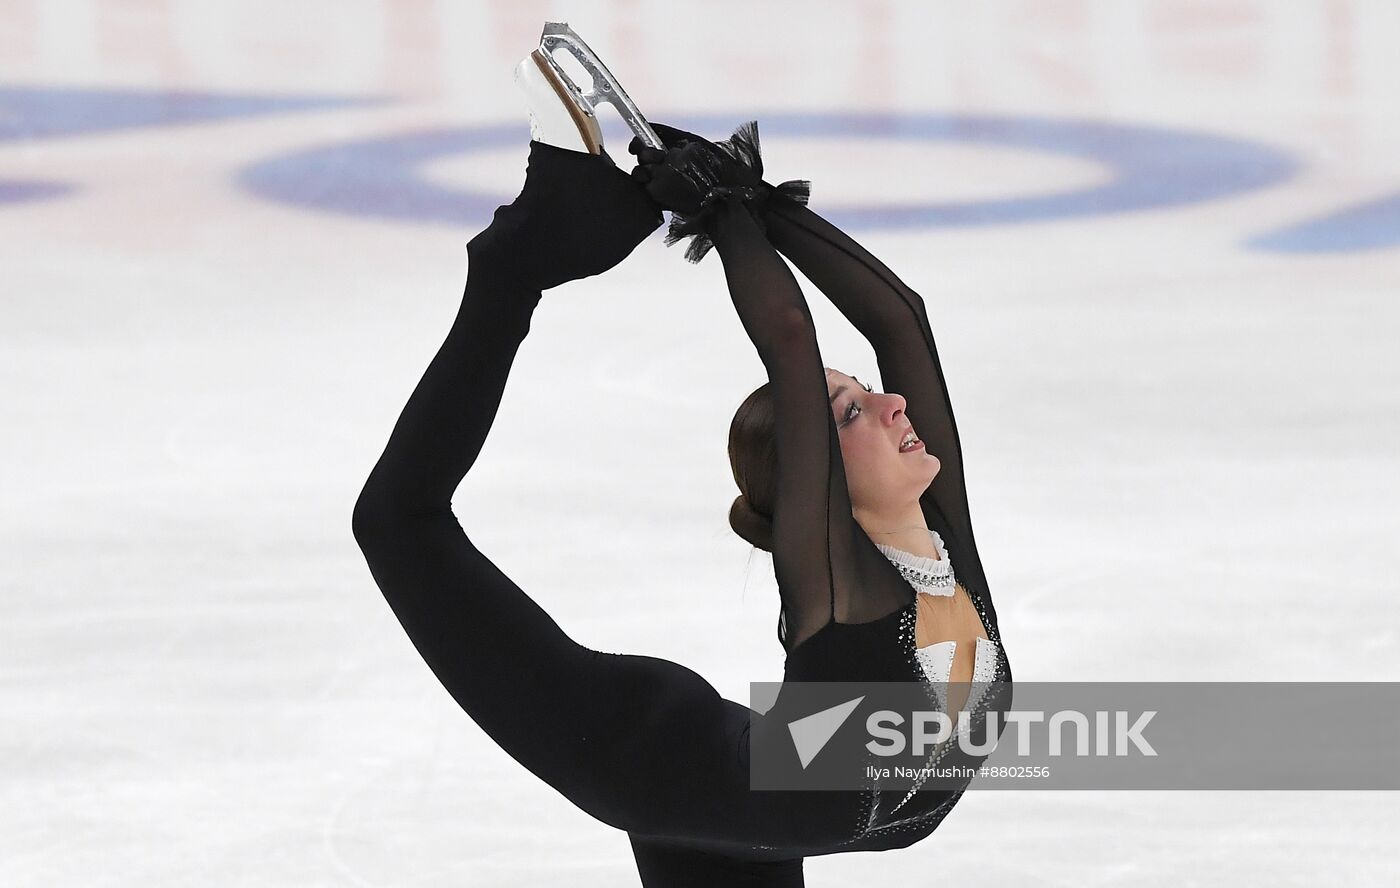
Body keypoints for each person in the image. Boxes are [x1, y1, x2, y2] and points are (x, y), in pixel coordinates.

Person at [352, 123, 1011, 888]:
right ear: (815, 479)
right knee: (397, 524)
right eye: (853, 411)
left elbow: (902, 316)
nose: (897, 405)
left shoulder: (943, 540)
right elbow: (789, 339)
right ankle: (511, 269)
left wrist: (756, 199)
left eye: (867, 393)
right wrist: (722, 216)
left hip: (745, 805)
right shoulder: (844, 592)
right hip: (641, 754)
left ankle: (564, 222)